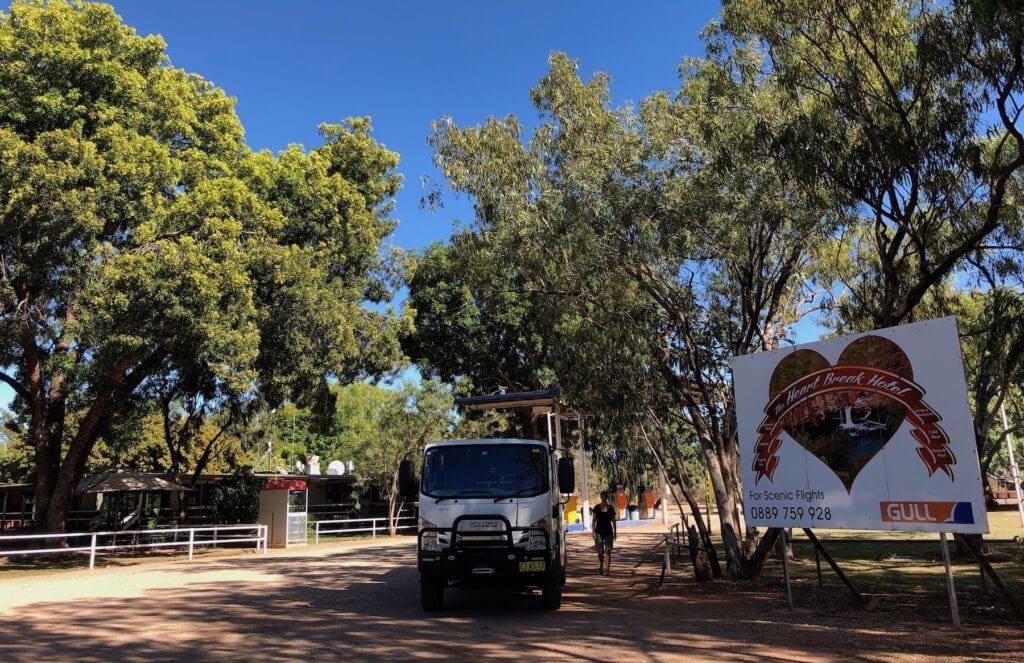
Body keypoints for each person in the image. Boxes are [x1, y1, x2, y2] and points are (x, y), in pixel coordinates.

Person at [591, 491, 617, 575]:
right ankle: (601, 564)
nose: (602, 498)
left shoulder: (611, 508)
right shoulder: (596, 508)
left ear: (606, 497)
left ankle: (607, 570)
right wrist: (593, 531)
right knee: (600, 552)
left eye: (604, 497)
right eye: (601, 497)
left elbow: (613, 521)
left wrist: (615, 531)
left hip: (609, 532)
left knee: (608, 551)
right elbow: (594, 520)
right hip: (598, 532)